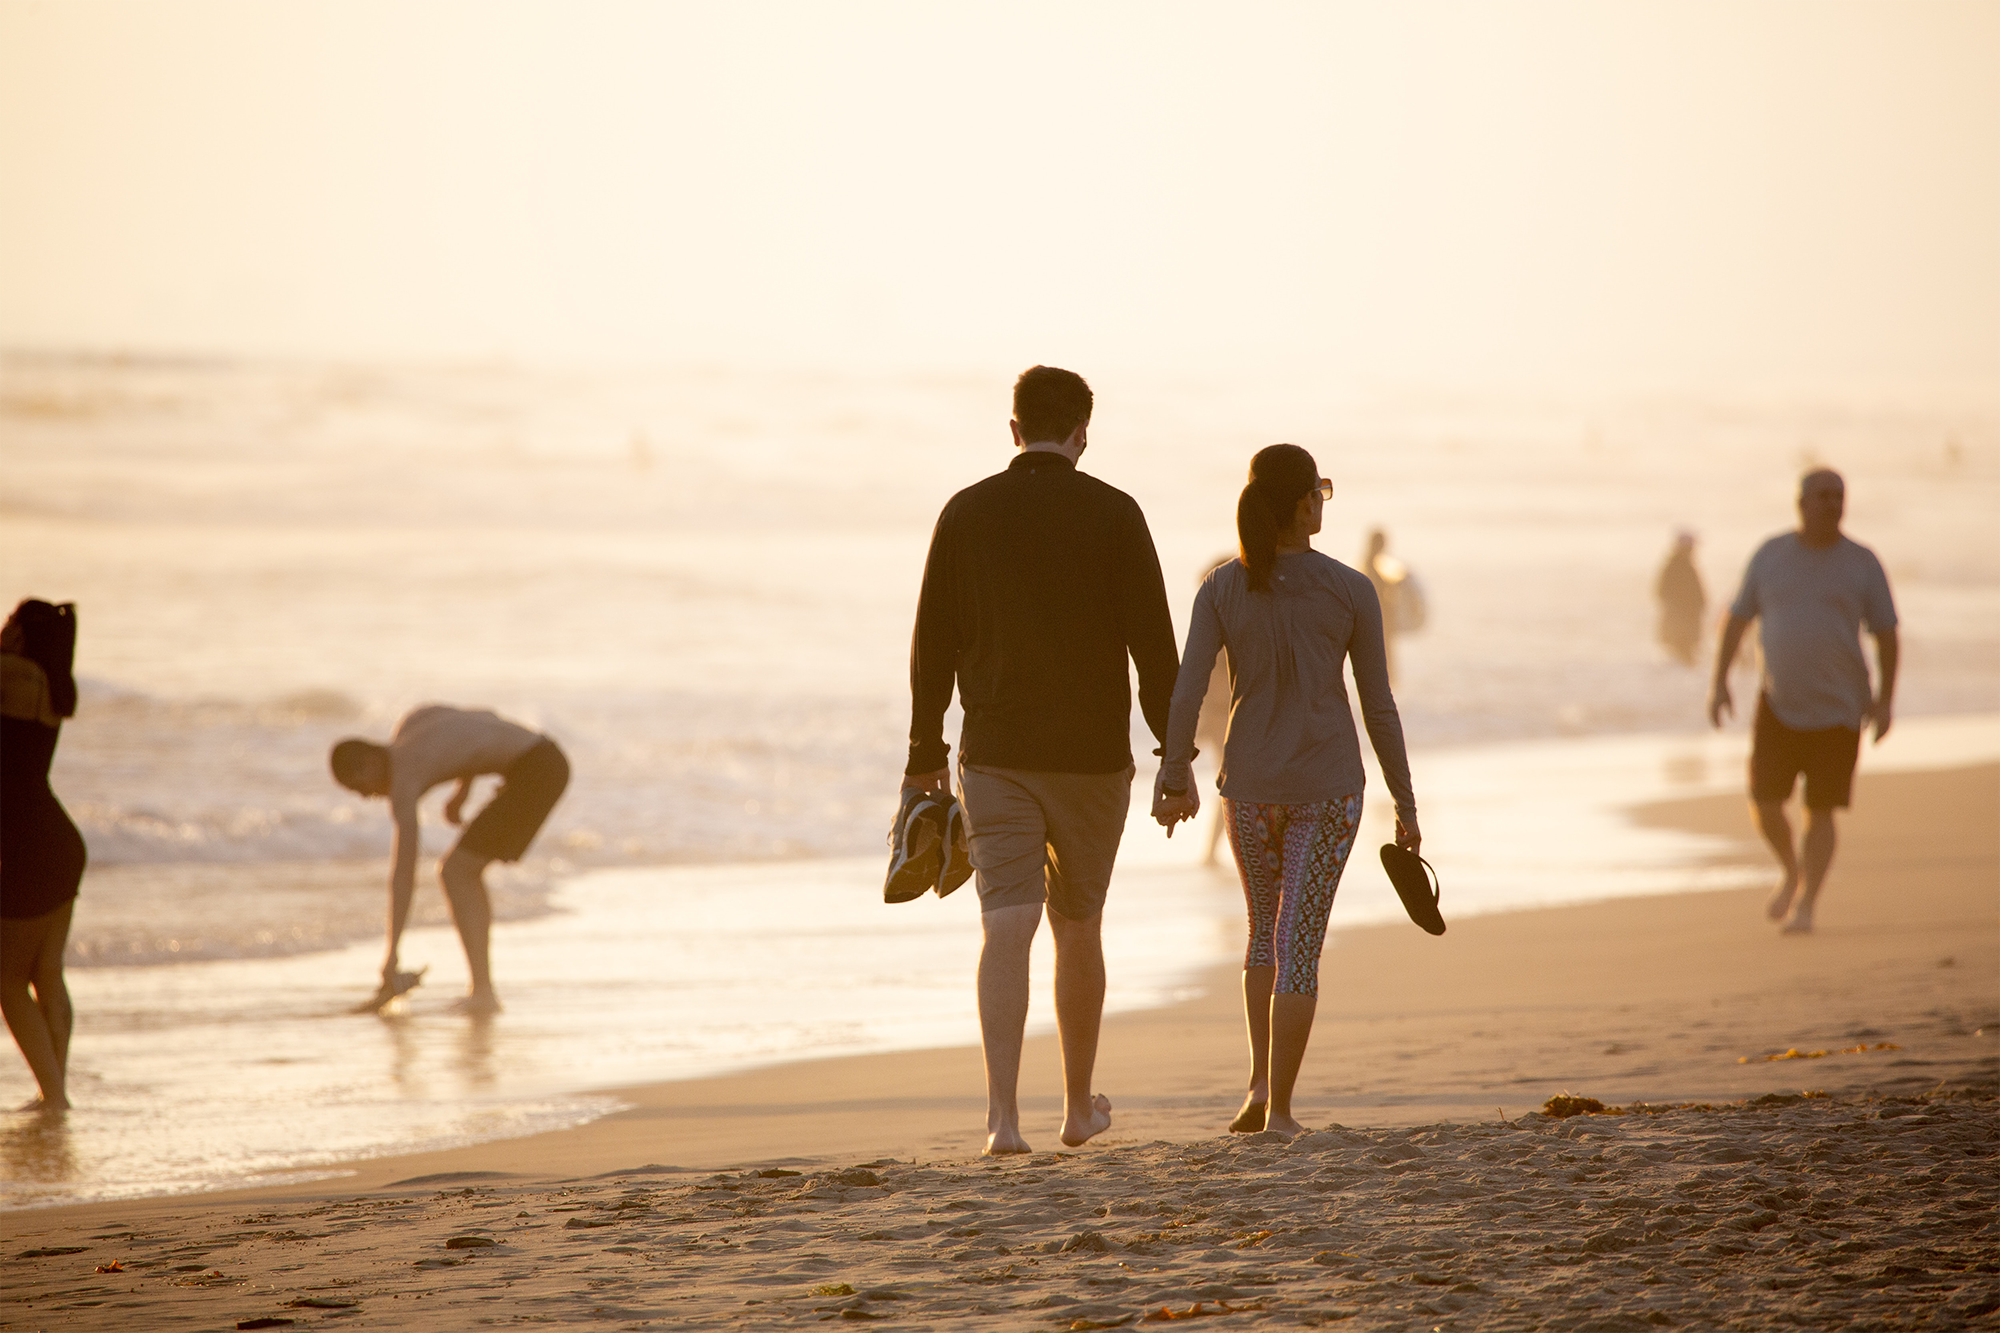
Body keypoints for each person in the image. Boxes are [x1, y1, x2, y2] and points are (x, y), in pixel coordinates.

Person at [904, 365, 1179, 1155]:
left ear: (1014, 428)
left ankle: (1002, 1119)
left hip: (996, 756)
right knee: (1078, 924)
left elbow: (932, 647)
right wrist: (1174, 754)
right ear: (1082, 434)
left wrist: (924, 756)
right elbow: (1154, 650)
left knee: (1008, 923)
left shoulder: (965, 512)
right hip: (1093, 759)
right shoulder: (1117, 513)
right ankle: (1075, 1109)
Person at [1155, 446, 1420, 1140]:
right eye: (1320, 494)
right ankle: (1279, 1113)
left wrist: (1172, 770)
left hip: (1247, 789)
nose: (1323, 504)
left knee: (1262, 940)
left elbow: (1186, 688)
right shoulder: (1350, 588)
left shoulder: (1221, 586)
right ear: (1304, 505)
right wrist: (1406, 803)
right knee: (1296, 946)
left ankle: (1259, 1087)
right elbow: (1378, 706)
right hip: (1327, 789)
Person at [1708, 469, 1897, 935]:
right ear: (1801, 503)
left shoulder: (1861, 562)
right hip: (1778, 701)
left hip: (1840, 707)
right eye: (1823, 496)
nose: (1833, 504)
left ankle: (1808, 902)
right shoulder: (1772, 555)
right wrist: (1719, 683)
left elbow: (1887, 634)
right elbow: (1736, 621)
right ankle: (1791, 871)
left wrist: (1885, 699)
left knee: (1822, 808)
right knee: (1765, 802)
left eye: (1839, 496)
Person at [330, 706, 570, 1013]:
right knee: (462, 870)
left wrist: (392, 955)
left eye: (358, 787)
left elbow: (403, 875)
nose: (365, 796)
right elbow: (484, 719)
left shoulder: (404, 780)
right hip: (544, 756)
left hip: (537, 772)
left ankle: (483, 993)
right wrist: (462, 791)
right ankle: (483, 989)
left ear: (368, 763)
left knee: (456, 872)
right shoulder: (413, 722)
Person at [0, 600, 85, 1112]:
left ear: (22, 634)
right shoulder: (46, 682)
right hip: (56, 841)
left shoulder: (15, 673)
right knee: (46, 972)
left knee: (7, 977)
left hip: (32, 846)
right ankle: (54, 1090)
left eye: (9, 623)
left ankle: (53, 1094)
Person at [1194, 554, 1236, 868]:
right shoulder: (1224, 623)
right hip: (1223, 717)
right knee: (1230, 786)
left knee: (1229, 786)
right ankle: (1213, 850)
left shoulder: (1219, 624)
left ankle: (1214, 850)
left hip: (1224, 716)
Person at [1360, 528, 1411, 683]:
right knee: (1384, 654)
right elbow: (1372, 592)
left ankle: (1388, 687)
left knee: (1384, 654)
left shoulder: (1371, 563)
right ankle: (1388, 687)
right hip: (1378, 617)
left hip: (1380, 616)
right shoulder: (1369, 565)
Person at [1655, 529, 1707, 666]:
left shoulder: (1683, 566)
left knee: (1684, 655)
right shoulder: (1676, 567)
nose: (1693, 550)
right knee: (1682, 653)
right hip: (1681, 620)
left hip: (1686, 618)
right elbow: (1662, 593)